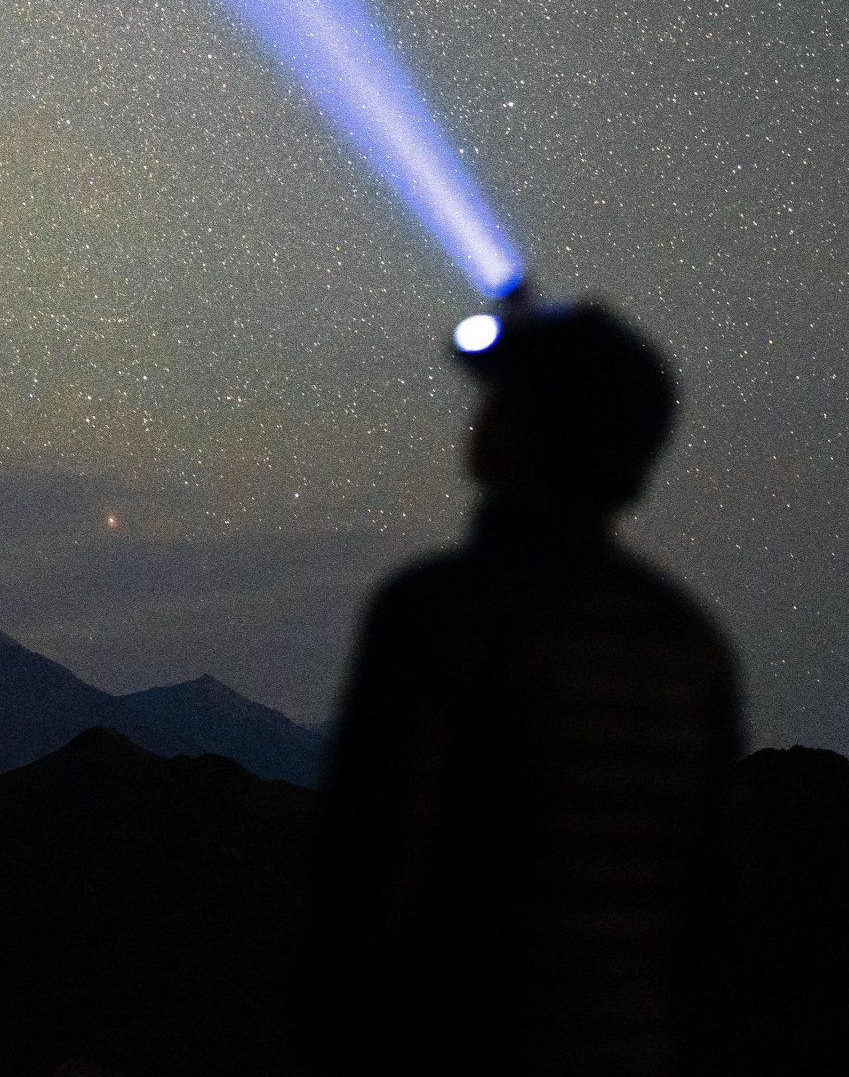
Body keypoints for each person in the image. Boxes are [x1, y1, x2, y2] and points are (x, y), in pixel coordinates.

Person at [304, 295, 741, 1077]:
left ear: (530, 431)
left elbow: (365, 880)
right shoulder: (689, 642)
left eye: (502, 399)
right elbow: (713, 910)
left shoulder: (439, 612)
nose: (480, 415)